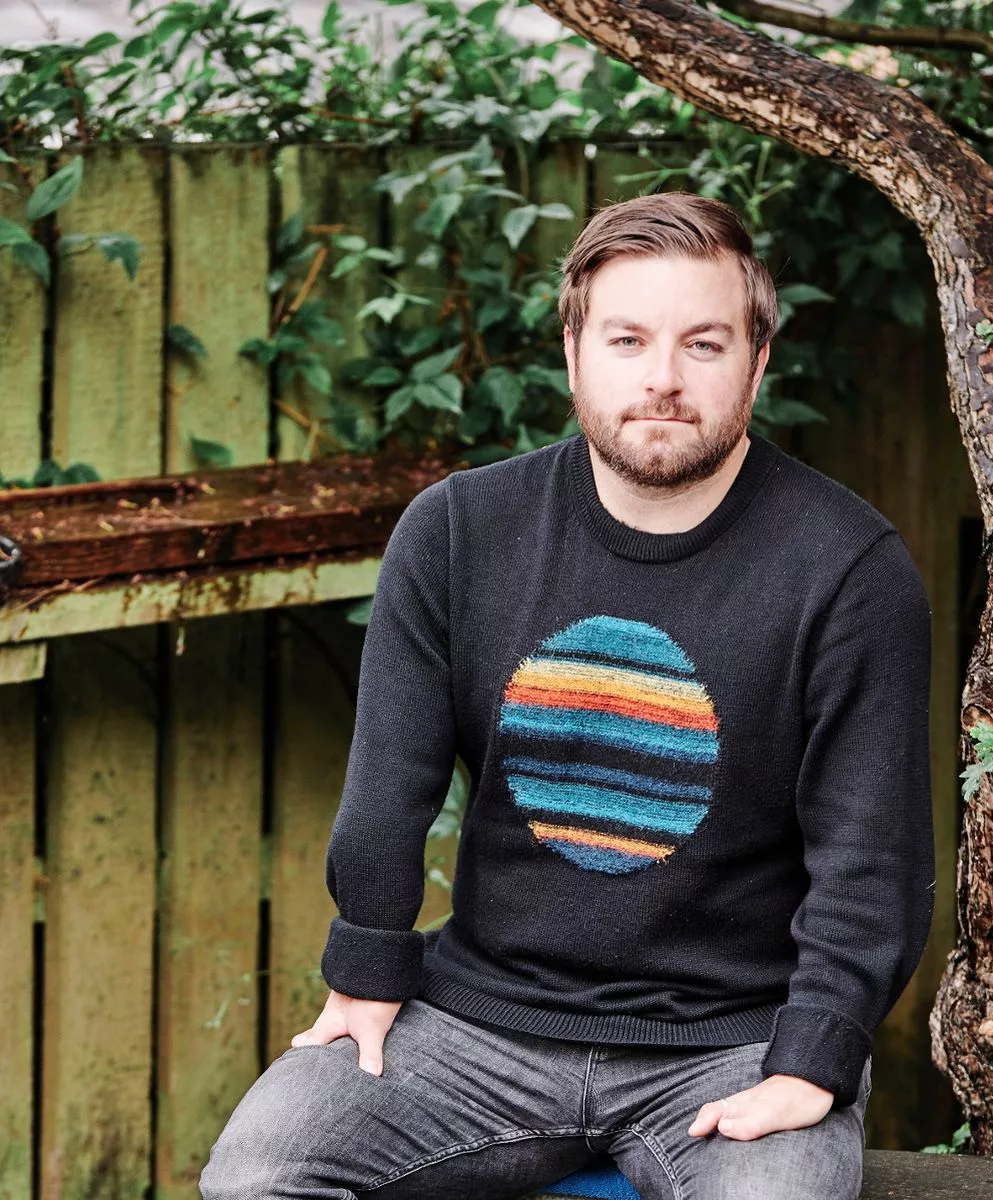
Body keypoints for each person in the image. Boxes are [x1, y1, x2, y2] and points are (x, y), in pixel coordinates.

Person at [201, 191, 934, 1200]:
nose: (663, 379)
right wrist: (369, 966)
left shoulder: (848, 569)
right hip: (479, 1028)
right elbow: (388, 784)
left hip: (730, 1044)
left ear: (760, 362)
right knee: (260, 1172)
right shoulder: (458, 534)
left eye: (706, 345)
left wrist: (816, 1053)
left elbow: (873, 855)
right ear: (574, 349)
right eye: (628, 338)